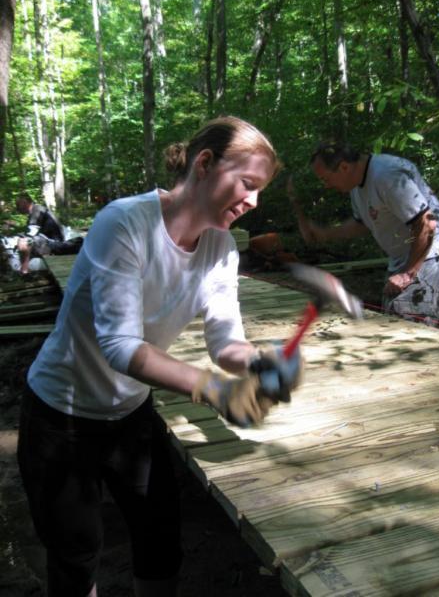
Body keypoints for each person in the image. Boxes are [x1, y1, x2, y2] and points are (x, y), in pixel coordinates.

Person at [17, 116, 302, 597]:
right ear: (205, 164)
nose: (255, 201)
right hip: (59, 419)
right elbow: (121, 347)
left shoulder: (221, 247)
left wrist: (258, 360)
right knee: (75, 556)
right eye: (248, 184)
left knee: (160, 542)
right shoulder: (125, 222)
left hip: (130, 415)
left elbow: (224, 342)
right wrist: (214, 390)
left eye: (260, 191)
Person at [289, 141, 439, 323]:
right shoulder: (356, 187)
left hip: (431, 255)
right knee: (393, 323)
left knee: (406, 328)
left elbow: (426, 224)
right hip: (404, 259)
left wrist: (408, 273)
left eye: (325, 179)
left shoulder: (386, 175)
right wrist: (326, 234)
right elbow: (362, 224)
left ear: (344, 167)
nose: (326, 185)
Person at [15, 195, 65, 273]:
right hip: (51, 240)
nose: (17, 208)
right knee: (23, 240)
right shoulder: (36, 210)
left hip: (55, 243)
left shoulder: (37, 210)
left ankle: (24, 269)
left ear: (25, 203)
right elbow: (30, 231)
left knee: (25, 241)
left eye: (18, 205)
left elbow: (30, 234)